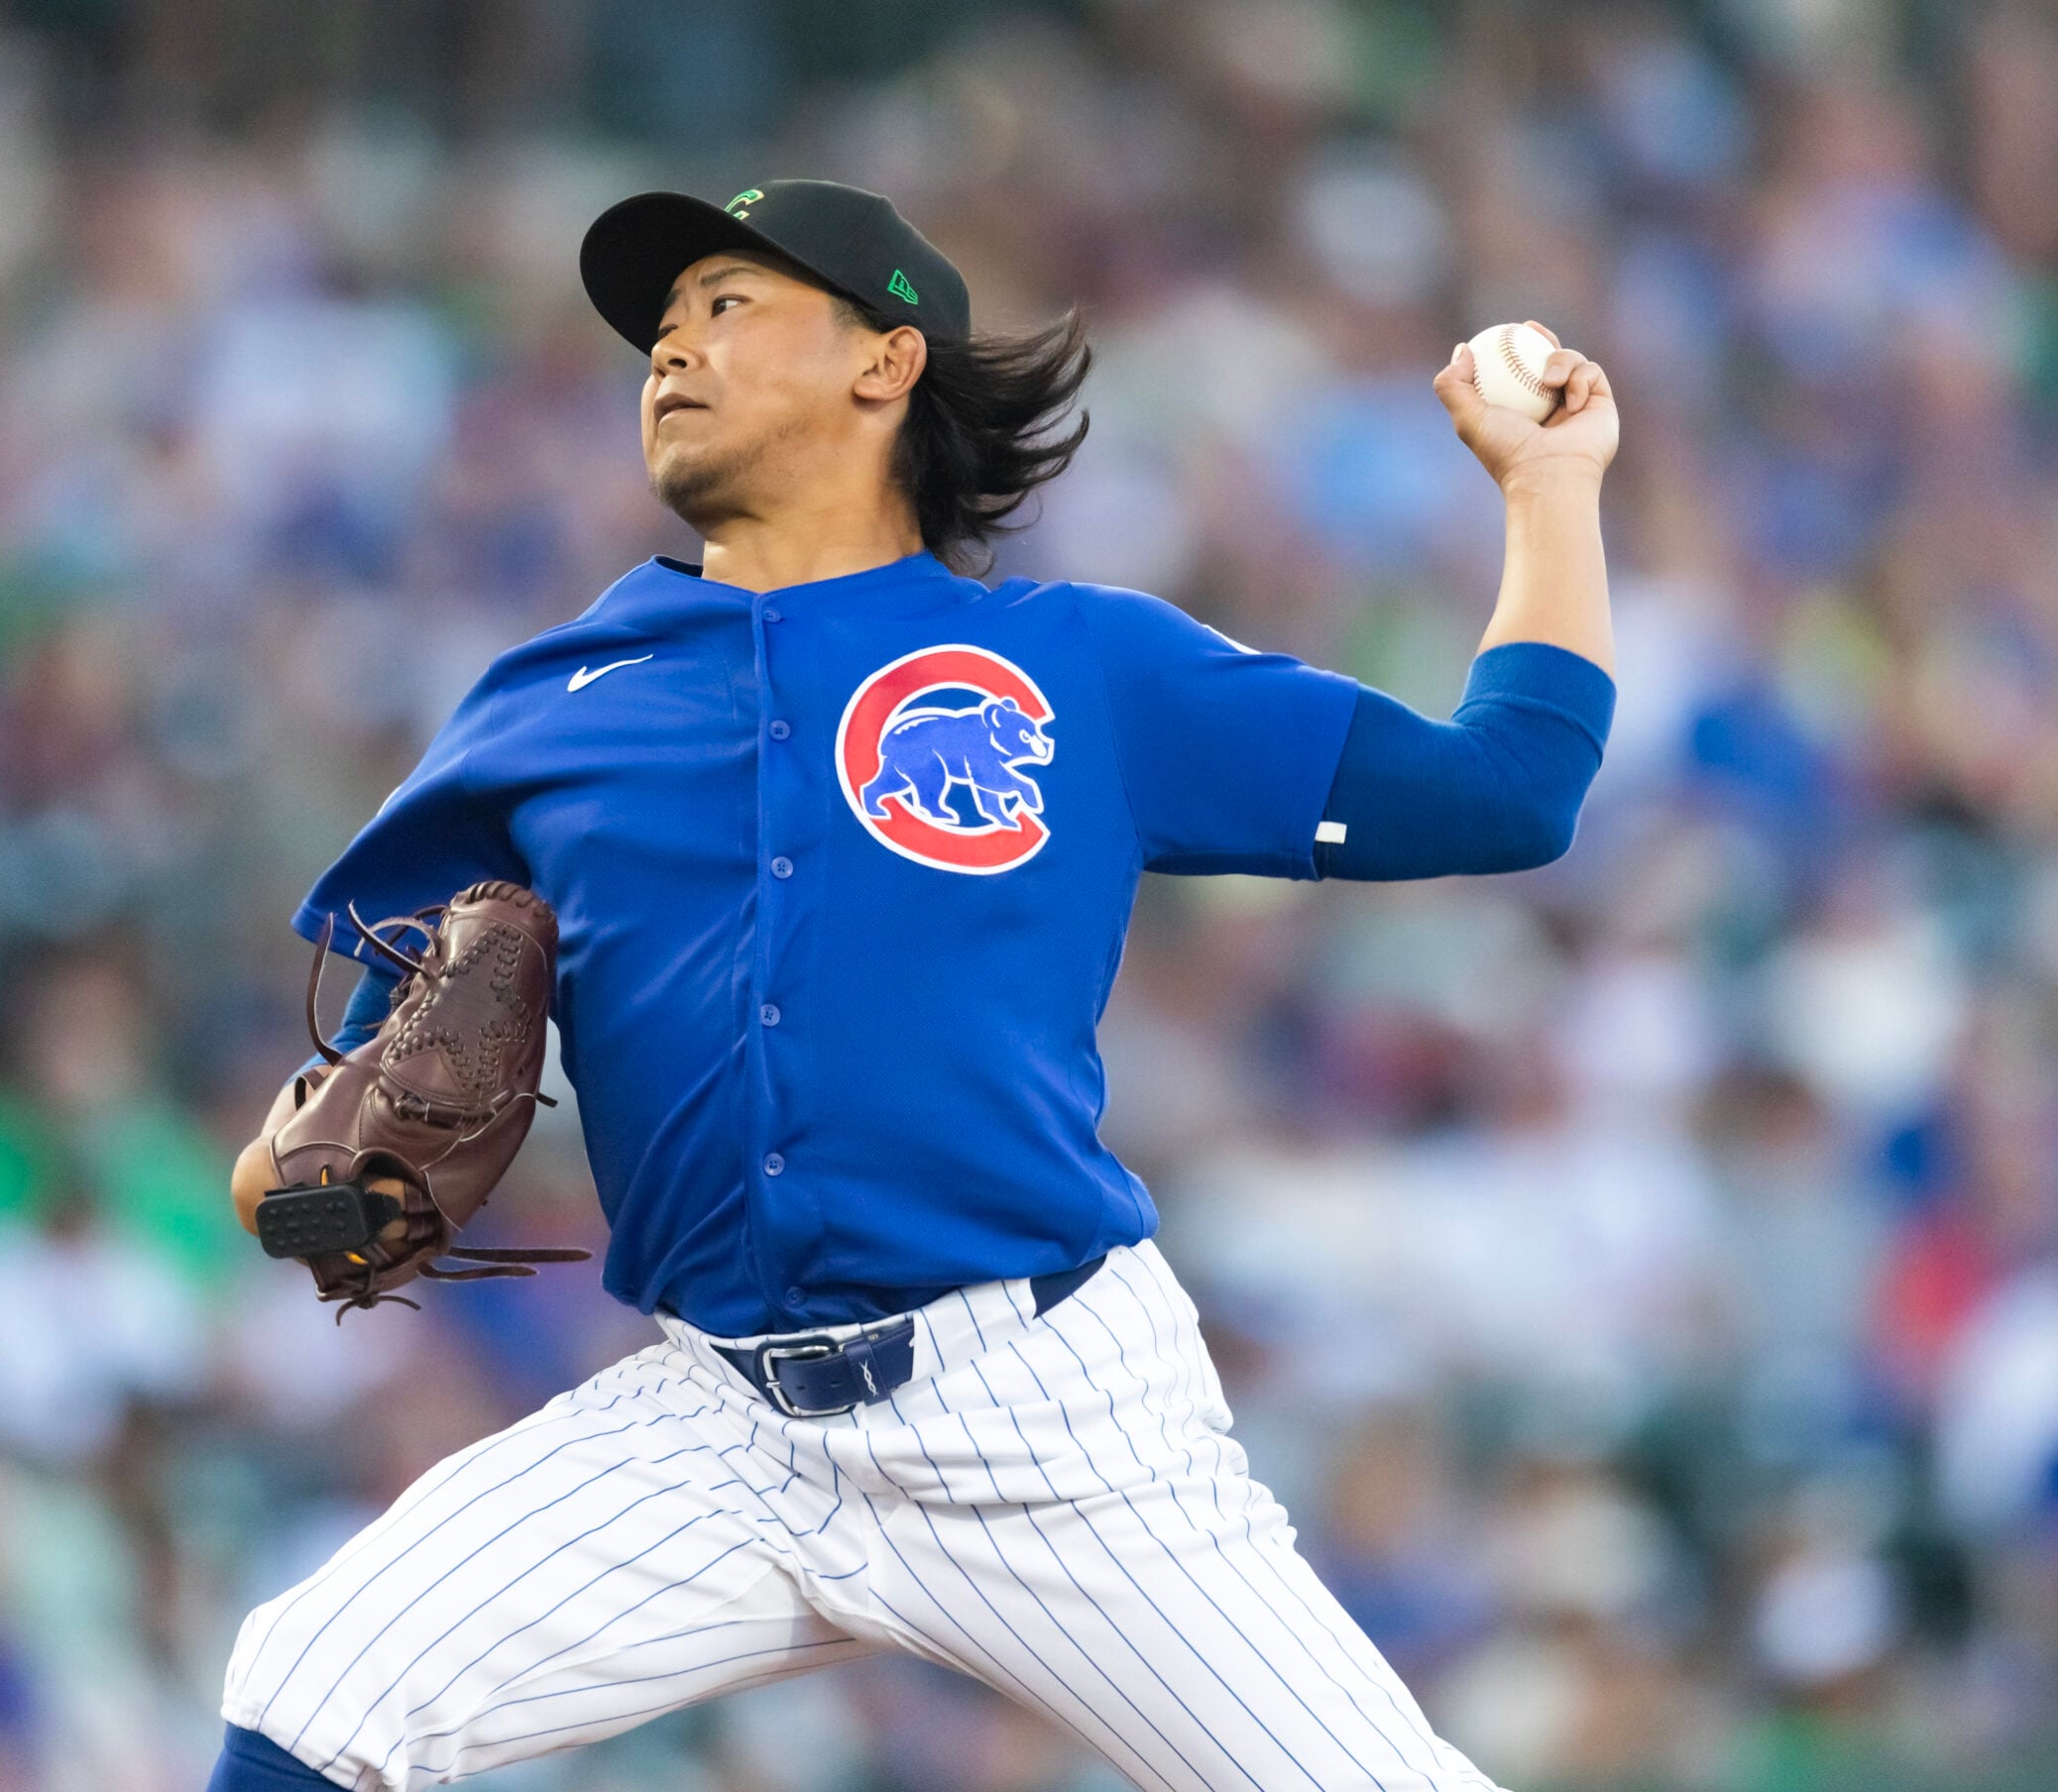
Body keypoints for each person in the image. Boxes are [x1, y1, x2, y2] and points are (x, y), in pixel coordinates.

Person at [208, 177, 1617, 1792]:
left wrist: (1553, 486)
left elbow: (1512, 790)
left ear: (887, 363)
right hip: (719, 1427)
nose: (670, 344)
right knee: (313, 1693)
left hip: (1048, 1417)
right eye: (659, 328)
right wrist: (322, 1204)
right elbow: (295, 1199)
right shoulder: (551, 702)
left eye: (725, 304)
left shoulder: (1078, 662)